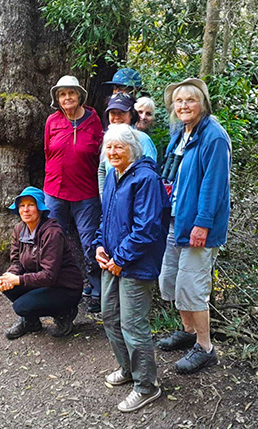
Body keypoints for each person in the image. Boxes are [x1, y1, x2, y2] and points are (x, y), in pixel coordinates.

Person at [157, 78, 231, 375]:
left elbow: (214, 185)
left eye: (190, 100)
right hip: (177, 219)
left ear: (203, 103)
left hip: (200, 225)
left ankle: (205, 347)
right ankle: (187, 332)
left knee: (193, 287)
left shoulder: (213, 136)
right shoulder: (181, 132)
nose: (184, 105)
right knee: (171, 280)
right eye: (179, 101)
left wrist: (202, 224)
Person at [94, 124, 170, 412]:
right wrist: (100, 247)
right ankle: (128, 369)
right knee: (109, 316)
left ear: (132, 150)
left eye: (119, 147)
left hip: (136, 263)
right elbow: (107, 217)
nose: (113, 152)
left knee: (133, 325)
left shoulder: (146, 178)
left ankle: (147, 386)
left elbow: (147, 228)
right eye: (109, 147)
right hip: (113, 260)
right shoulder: (114, 175)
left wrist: (120, 258)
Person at [43, 75, 104, 313]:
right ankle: (65, 288)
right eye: (62, 94)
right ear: (57, 99)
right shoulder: (52, 121)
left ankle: (97, 292)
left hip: (86, 193)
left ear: (79, 95)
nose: (67, 98)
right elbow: (48, 152)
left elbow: (100, 156)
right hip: (55, 191)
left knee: (90, 243)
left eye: (71, 93)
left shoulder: (94, 121)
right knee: (56, 241)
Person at [0, 187, 83, 339]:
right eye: (22, 206)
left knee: (21, 306)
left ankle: (65, 313)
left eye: (31, 204)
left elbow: (49, 276)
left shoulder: (52, 232)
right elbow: (17, 261)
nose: (26, 210)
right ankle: (31, 322)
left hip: (64, 287)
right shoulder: (19, 229)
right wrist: (11, 274)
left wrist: (18, 280)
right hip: (41, 282)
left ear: (40, 208)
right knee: (6, 285)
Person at [98, 93, 158, 194]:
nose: (117, 117)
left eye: (122, 112)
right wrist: (104, 197)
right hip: (112, 198)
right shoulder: (108, 138)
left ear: (131, 114)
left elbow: (150, 175)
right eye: (113, 113)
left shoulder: (142, 139)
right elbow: (102, 169)